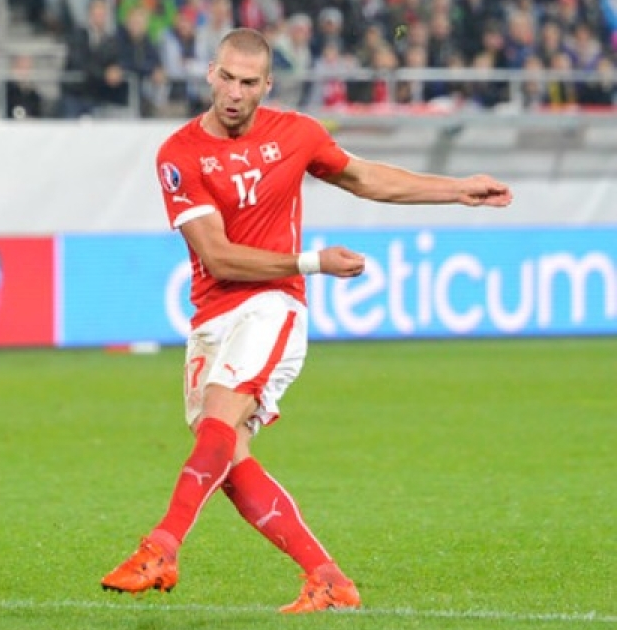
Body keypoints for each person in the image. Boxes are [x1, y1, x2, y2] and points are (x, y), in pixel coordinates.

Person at [99, 28, 511, 613]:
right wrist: (314, 260)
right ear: (210, 73)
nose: (235, 93)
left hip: (274, 304)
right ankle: (328, 579)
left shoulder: (296, 134)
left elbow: (364, 177)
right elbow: (218, 256)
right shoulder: (179, 154)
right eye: (227, 78)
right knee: (228, 460)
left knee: (218, 424)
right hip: (214, 313)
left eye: (249, 83)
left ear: (267, 84)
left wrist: (456, 189)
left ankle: (161, 548)